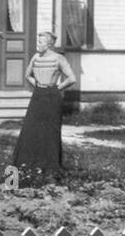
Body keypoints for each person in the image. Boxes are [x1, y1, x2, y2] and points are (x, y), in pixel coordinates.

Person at [12, 31, 77, 180]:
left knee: (50, 132)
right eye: (38, 42)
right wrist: (38, 85)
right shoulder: (35, 57)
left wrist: (55, 89)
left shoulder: (58, 58)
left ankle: (50, 170)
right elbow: (27, 75)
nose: (38, 45)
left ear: (49, 45)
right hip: (38, 95)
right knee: (30, 130)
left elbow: (72, 78)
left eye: (41, 42)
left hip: (52, 97)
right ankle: (27, 167)